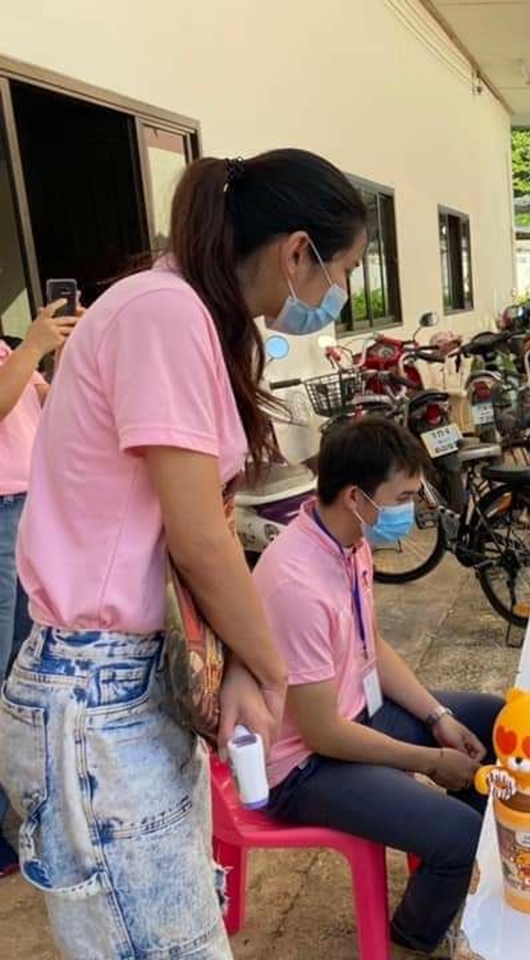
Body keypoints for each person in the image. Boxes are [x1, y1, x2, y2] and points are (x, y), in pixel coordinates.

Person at [0, 148, 367, 958]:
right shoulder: (165, 313)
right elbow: (199, 535)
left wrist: (237, 659)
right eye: (343, 270)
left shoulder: (188, 315)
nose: (337, 296)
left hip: (128, 679)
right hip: (96, 696)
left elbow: (187, 536)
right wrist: (273, 667)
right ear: (297, 251)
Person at [258, 417, 503, 957]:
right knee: (457, 836)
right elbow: (322, 733)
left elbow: (374, 649)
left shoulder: (348, 541)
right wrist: (429, 759)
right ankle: (412, 935)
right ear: (356, 496)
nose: (411, 512)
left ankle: (468, 857)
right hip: (307, 765)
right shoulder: (295, 584)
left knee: (492, 719)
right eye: (404, 497)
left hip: (357, 715)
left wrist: (438, 717)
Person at [0, 299, 78, 876]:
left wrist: (64, 357)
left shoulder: (7, 347)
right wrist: (32, 347)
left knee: (26, 668)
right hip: (2, 515)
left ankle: (23, 803)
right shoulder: (15, 347)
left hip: (27, 511)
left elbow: (48, 408)